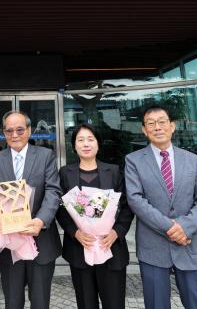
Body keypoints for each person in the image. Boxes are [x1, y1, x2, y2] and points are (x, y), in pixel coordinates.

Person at [125, 106, 197, 309]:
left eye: (162, 122)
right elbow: (136, 200)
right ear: (144, 130)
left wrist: (184, 227)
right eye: (151, 123)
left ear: (172, 126)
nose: (157, 127)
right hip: (153, 247)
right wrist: (172, 228)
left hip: (189, 244)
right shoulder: (133, 161)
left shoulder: (193, 160)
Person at [0, 110, 62, 309]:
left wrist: (41, 220)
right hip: (9, 244)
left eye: (20, 129)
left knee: (40, 302)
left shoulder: (45, 155)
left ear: (29, 130)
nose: (14, 135)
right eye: (9, 130)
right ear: (4, 133)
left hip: (41, 240)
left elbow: (53, 191)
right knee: (12, 302)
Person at [57, 123, 134, 309]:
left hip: (111, 247)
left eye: (90, 139)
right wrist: (75, 232)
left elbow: (126, 206)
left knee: (114, 303)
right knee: (86, 303)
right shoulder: (65, 173)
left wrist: (117, 232)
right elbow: (60, 208)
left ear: (98, 144)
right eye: (80, 140)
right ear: (74, 146)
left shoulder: (113, 171)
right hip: (80, 248)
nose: (86, 144)